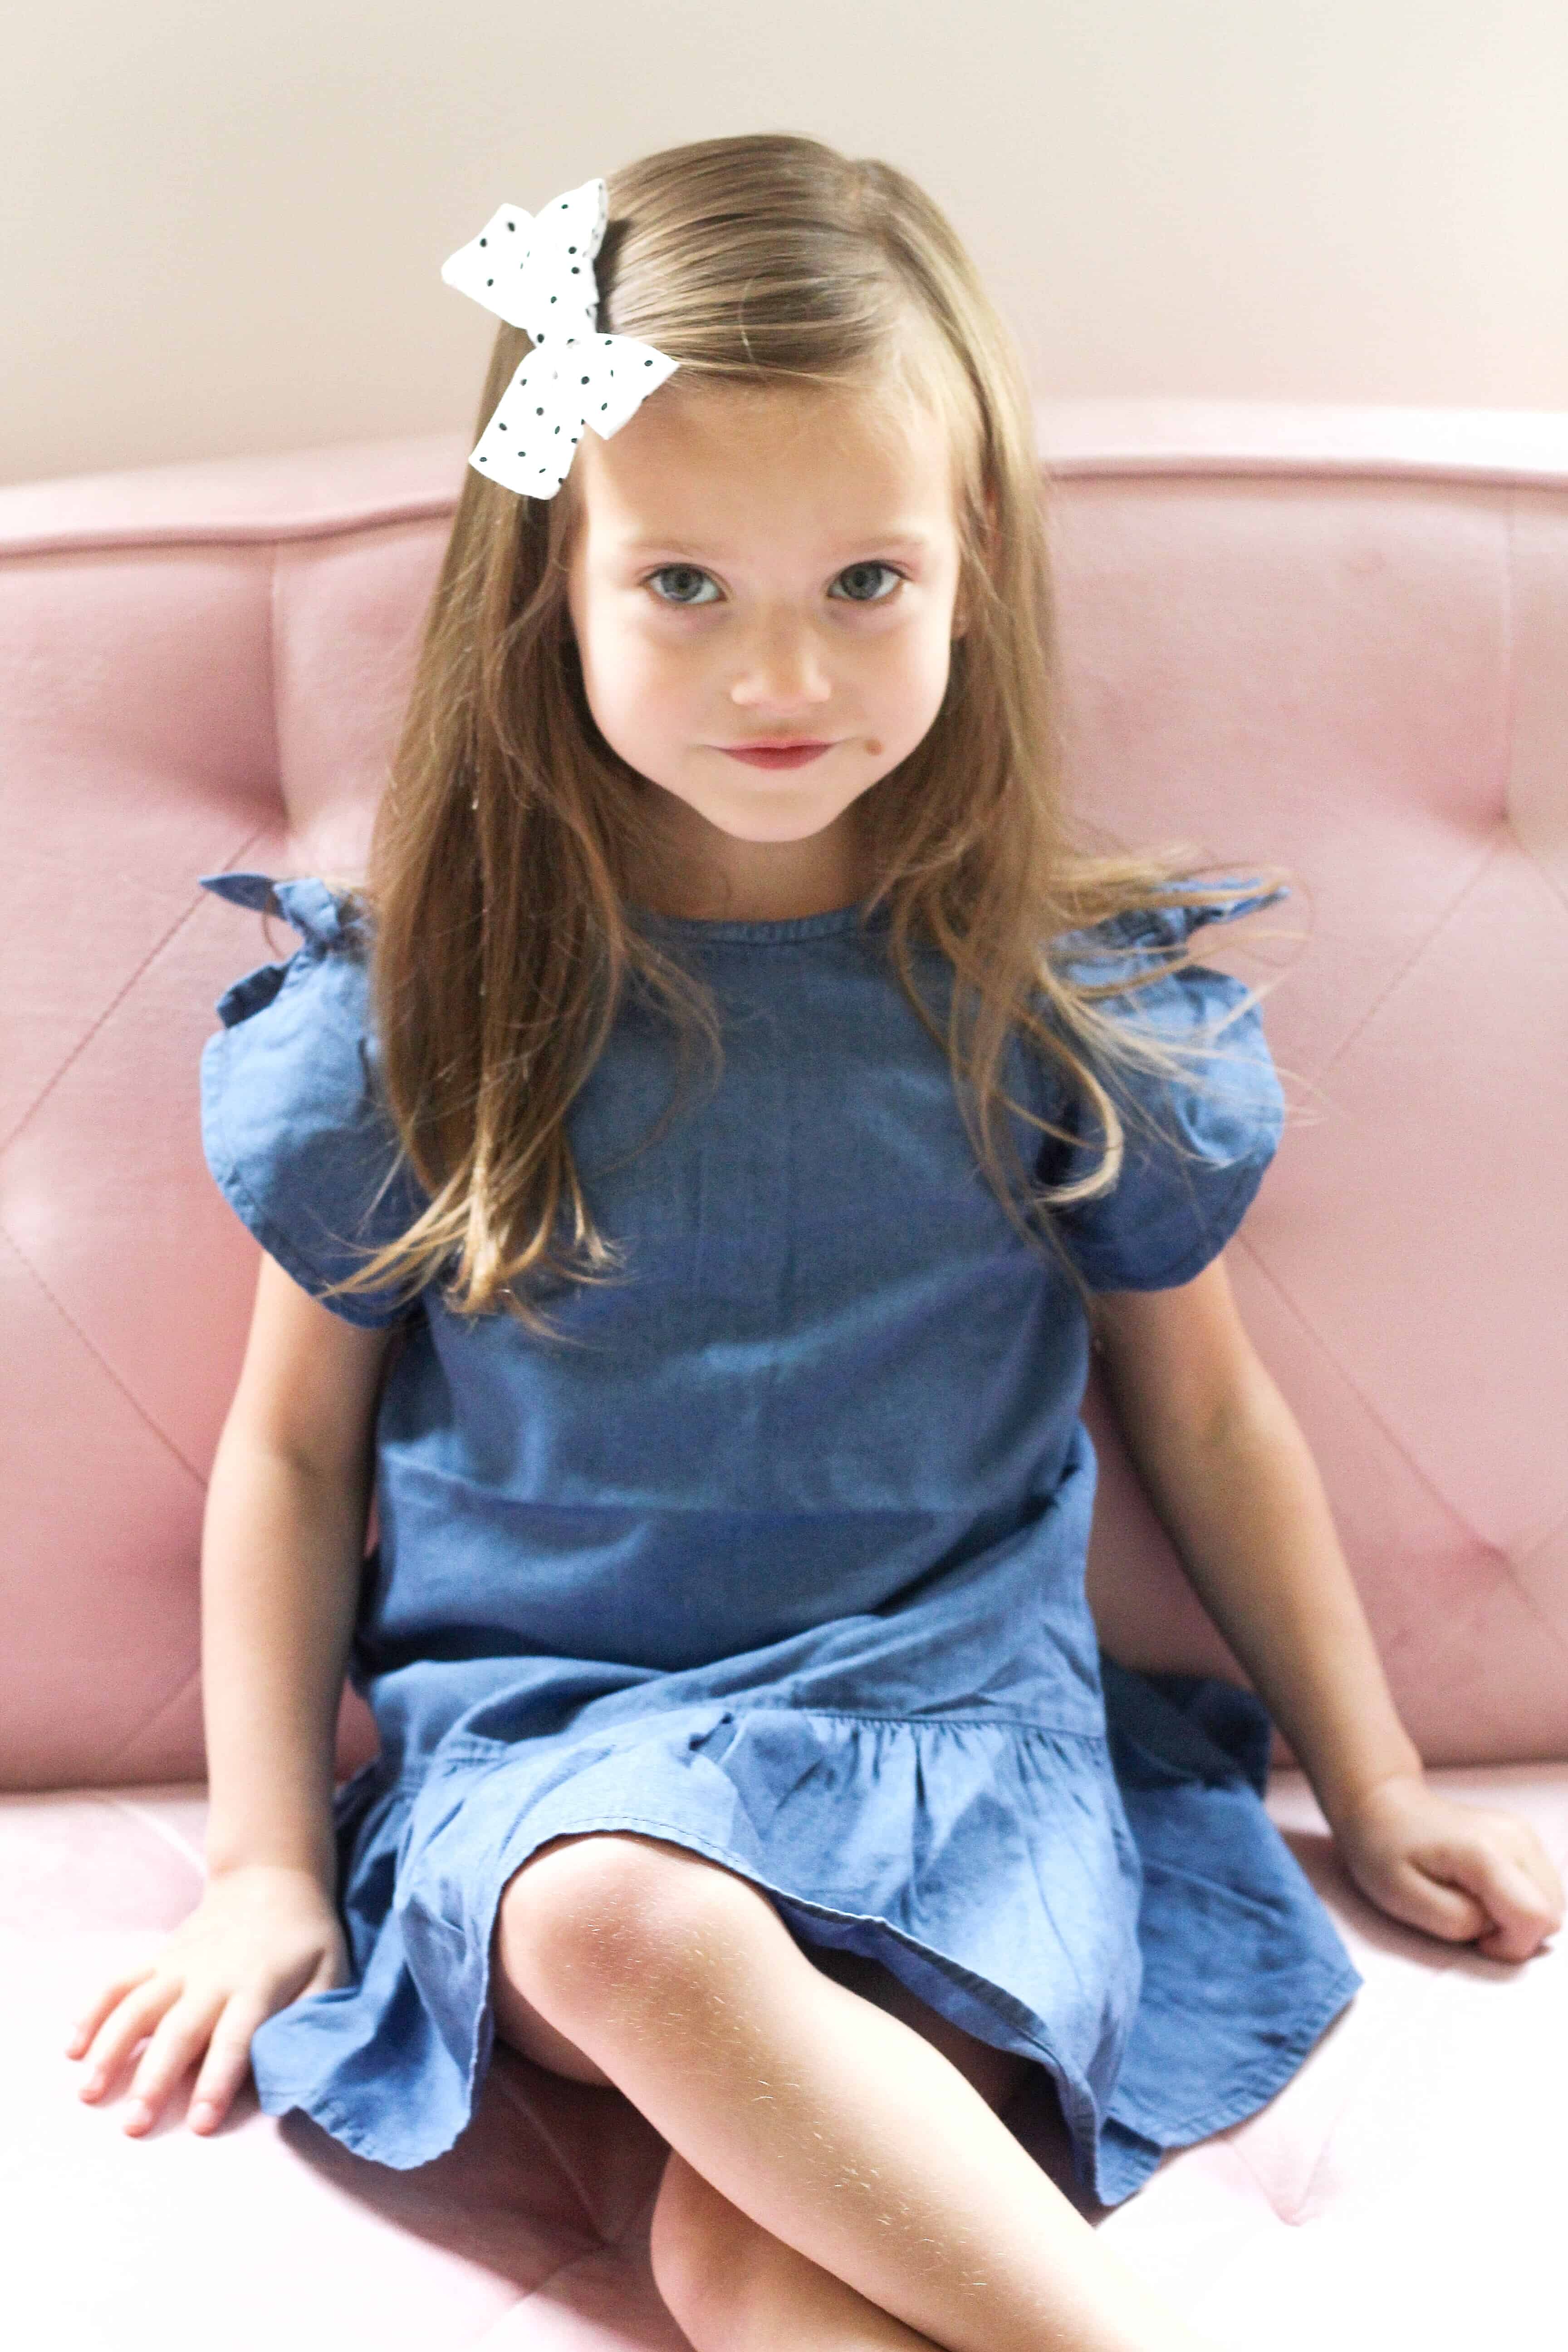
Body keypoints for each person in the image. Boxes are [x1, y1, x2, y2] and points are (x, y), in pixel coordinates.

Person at [68, 134, 1561, 2352]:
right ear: (552, 587)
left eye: (867, 581)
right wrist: (275, 1865)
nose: (789, 670)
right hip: (559, 1759)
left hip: (954, 1749)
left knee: (759, 2261)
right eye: (685, 585)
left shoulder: (1054, 1014)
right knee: (627, 1933)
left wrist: (1377, 1781)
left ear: (970, 569)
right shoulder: (436, 1016)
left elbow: (1214, 1414)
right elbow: (291, 1460)